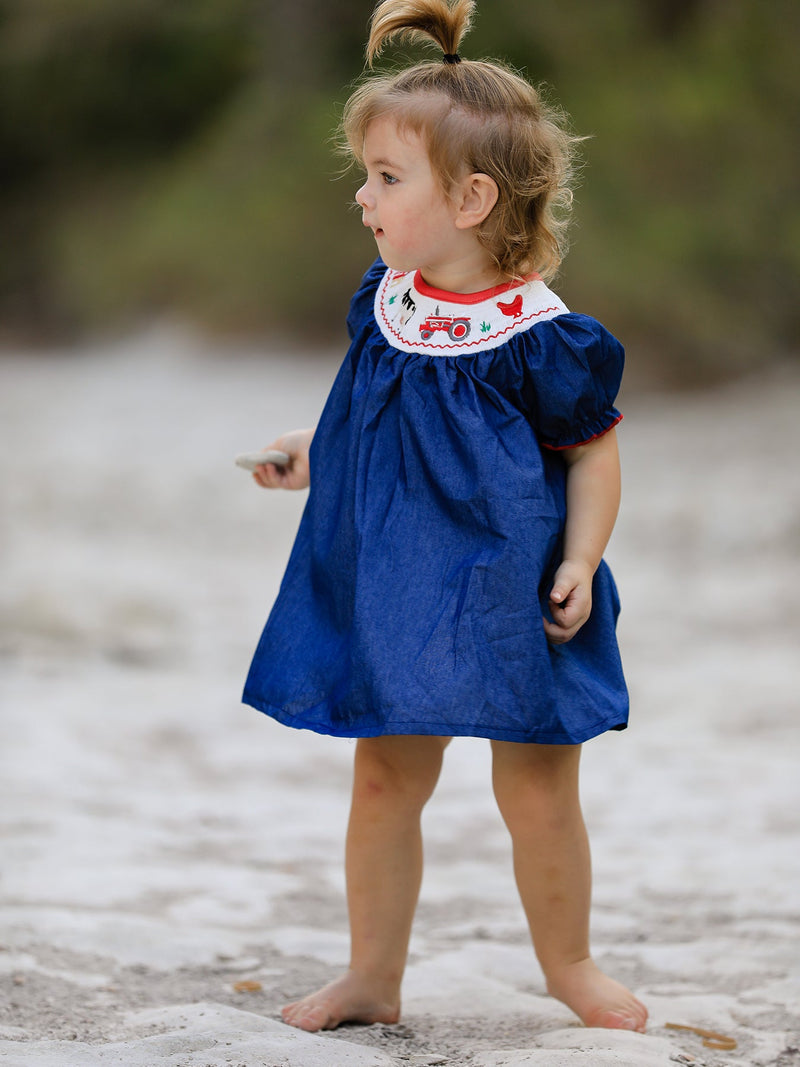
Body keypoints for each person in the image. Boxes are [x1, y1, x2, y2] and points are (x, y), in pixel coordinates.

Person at [242, 0, 648, 1037]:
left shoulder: (538, 334)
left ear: (470, 198)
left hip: (514, 584)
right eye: (365, 175)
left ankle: (570, 963)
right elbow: (366, 418)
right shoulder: (387, 303)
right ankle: (371, 972)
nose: (361, 198)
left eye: (385, 177)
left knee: (537, 786)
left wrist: (580, 554)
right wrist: (311, 453)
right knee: (383, 775)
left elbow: (592, 450)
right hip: (398, 580)